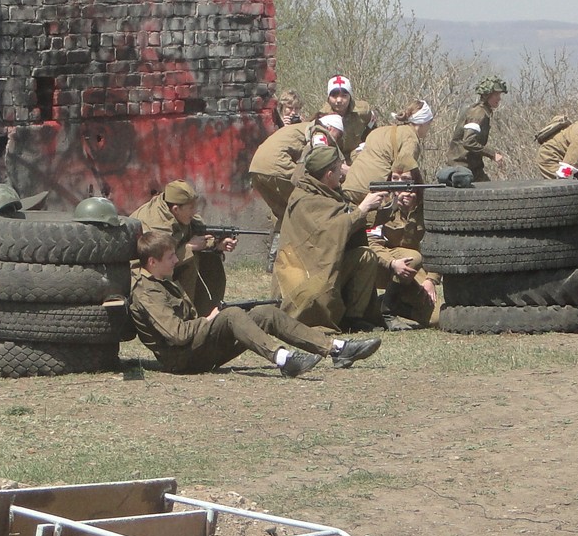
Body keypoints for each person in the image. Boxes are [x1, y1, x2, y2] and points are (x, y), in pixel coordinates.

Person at [129, 230, 382, 376]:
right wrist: (209, 320)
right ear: (152, 262)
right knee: (231, 316)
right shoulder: (147, 292)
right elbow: (177, 334)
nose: (176, 260)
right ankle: (283, 360)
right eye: (170, 256)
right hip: (182, 359)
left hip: (193, 349)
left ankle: (336, 349)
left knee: (265, 313)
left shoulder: (164, 279)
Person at [273, 145, 389, 332]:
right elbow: (331, 231)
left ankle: (353, 318)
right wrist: (362, 209)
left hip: (325, 265)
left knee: (365, 257)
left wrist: (388, 206)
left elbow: (352, 221)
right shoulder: (306, 198)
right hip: (307, 274)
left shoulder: (329, 193)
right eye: (339, 169)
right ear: (328, 174)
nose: (342, 173)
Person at [128, 180, 232, 316]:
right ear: (176, 209)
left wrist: (217, 244)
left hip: (164, 261)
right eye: (191, 208)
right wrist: (189, 248)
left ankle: (210, 314)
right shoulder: (158, 227)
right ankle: (185, 318)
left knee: (210, 259)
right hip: (144, 273)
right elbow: (157, 263)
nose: (195, 211)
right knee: (190, 262)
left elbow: (196, 230)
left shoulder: (173, 208)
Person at [366, 183, 438, 329]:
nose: (404, 190)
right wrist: (392, 263)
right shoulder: (381, 206)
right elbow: (372, 243)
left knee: (436, 319)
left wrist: (431, 279)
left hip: (413, 271)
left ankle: (388, 305)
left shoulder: (429, 209)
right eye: (396, 180)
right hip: (385, 266)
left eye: (407, 181)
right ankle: (387, 310)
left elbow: (439, 247)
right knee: (413, 257)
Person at [342, 99, 435, 202]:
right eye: (429, 124)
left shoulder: (381, 131)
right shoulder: (411, 140)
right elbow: (405, 174)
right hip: (370, 191)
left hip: (348, 186)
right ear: (422, 123)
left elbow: (356, 154)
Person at [447, 76, 507, 182]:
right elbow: (469, 141)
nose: (499, 98)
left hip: (472, 168)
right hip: (462, 168)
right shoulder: (478, 113)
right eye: (496, 95)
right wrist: (492, 154)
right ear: (487, 95)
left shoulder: (483, 111)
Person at [318, 75, 376, 163]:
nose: (339, 100)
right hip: (334, 159)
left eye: (344, 96)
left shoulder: (363, 111)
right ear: (328, 98)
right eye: (334, 96)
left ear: (350, 96)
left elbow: (372, 131)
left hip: (357, 154)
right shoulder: (322, 117)